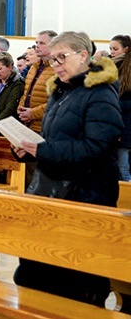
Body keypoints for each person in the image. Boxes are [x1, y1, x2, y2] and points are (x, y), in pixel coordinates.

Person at [12, 31, 123, 307]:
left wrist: (45, 150)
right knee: (36, 272)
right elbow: (55, 142)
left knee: (74, 278)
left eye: (63, 57)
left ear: (83, 56)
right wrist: (29, 150)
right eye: (53, 60)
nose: (57, 64)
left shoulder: (100, 94)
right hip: (52, 191)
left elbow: (98, 147)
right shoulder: (61, 92)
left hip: (86, 194)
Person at [17, 30, 58, 187]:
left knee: (38, 175)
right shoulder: (34, 67)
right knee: (26, 173)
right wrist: (21, 107)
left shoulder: (55, 69)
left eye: (42, 43)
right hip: (26, 125)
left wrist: (32, 113)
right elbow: (27, 92)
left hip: (42, 126)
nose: (37, 46)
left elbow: (55, 101)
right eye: (36, 43)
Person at [111, 34, 131, 181]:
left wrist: (113, 104)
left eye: (115, 48)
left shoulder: (126, 70)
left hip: (126, 127)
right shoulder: (111, 66)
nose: (112, 52)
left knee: (123, 169)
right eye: (110, 48)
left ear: (126, 49)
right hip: (116, 125)